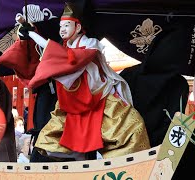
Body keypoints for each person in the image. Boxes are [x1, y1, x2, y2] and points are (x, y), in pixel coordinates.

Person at [16, 2, 150, 160]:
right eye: (61, 26)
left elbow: (67, 59)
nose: (62, 30)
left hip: (99, 99)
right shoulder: (66, 48)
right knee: (60, 138)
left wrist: (33, 34)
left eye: (67, 25)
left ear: (78, 28)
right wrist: (30, 33)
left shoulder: (89, 45)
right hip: (73, 103)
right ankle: (78, 158)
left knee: (129, 127)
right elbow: (54, 53)